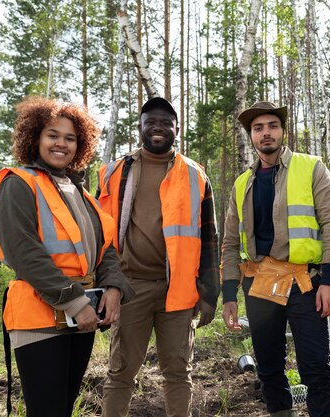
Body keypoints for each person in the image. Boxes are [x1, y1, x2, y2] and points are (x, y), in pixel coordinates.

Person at [0, 96, 134, 417]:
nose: (61, 144)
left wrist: (113, 287)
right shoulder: (17, 184)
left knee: (62, 409)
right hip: (41, 317)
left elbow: (105, 247)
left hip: (80, 316)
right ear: (35, 137)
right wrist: (75, 302)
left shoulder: (78, 191)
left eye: (70, 138)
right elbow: (24, 253)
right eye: (52, 135)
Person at [221, 101, 330, 417]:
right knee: (269, 369)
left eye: (272, 126)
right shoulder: (241, 184)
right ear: (251, 136)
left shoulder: (312, 167)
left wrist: (329, 281)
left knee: (316, 367)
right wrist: (229, 295)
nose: (266, 134)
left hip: (306, 283)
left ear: (283, 131)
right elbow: (229, 243)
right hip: (260, 283)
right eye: (258, 128)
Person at [97, 96, 220, 417]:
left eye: (166, 122)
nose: (158, 128)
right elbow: (99, 236)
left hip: (178, 291)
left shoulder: (195, 175)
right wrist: (105, 285)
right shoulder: (114, 173)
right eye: (151, 121)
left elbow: (210, 239)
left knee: (178, 373)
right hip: (129, 288)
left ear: (176, 129)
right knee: (120, 374)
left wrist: (209, 293)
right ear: (139, 127)